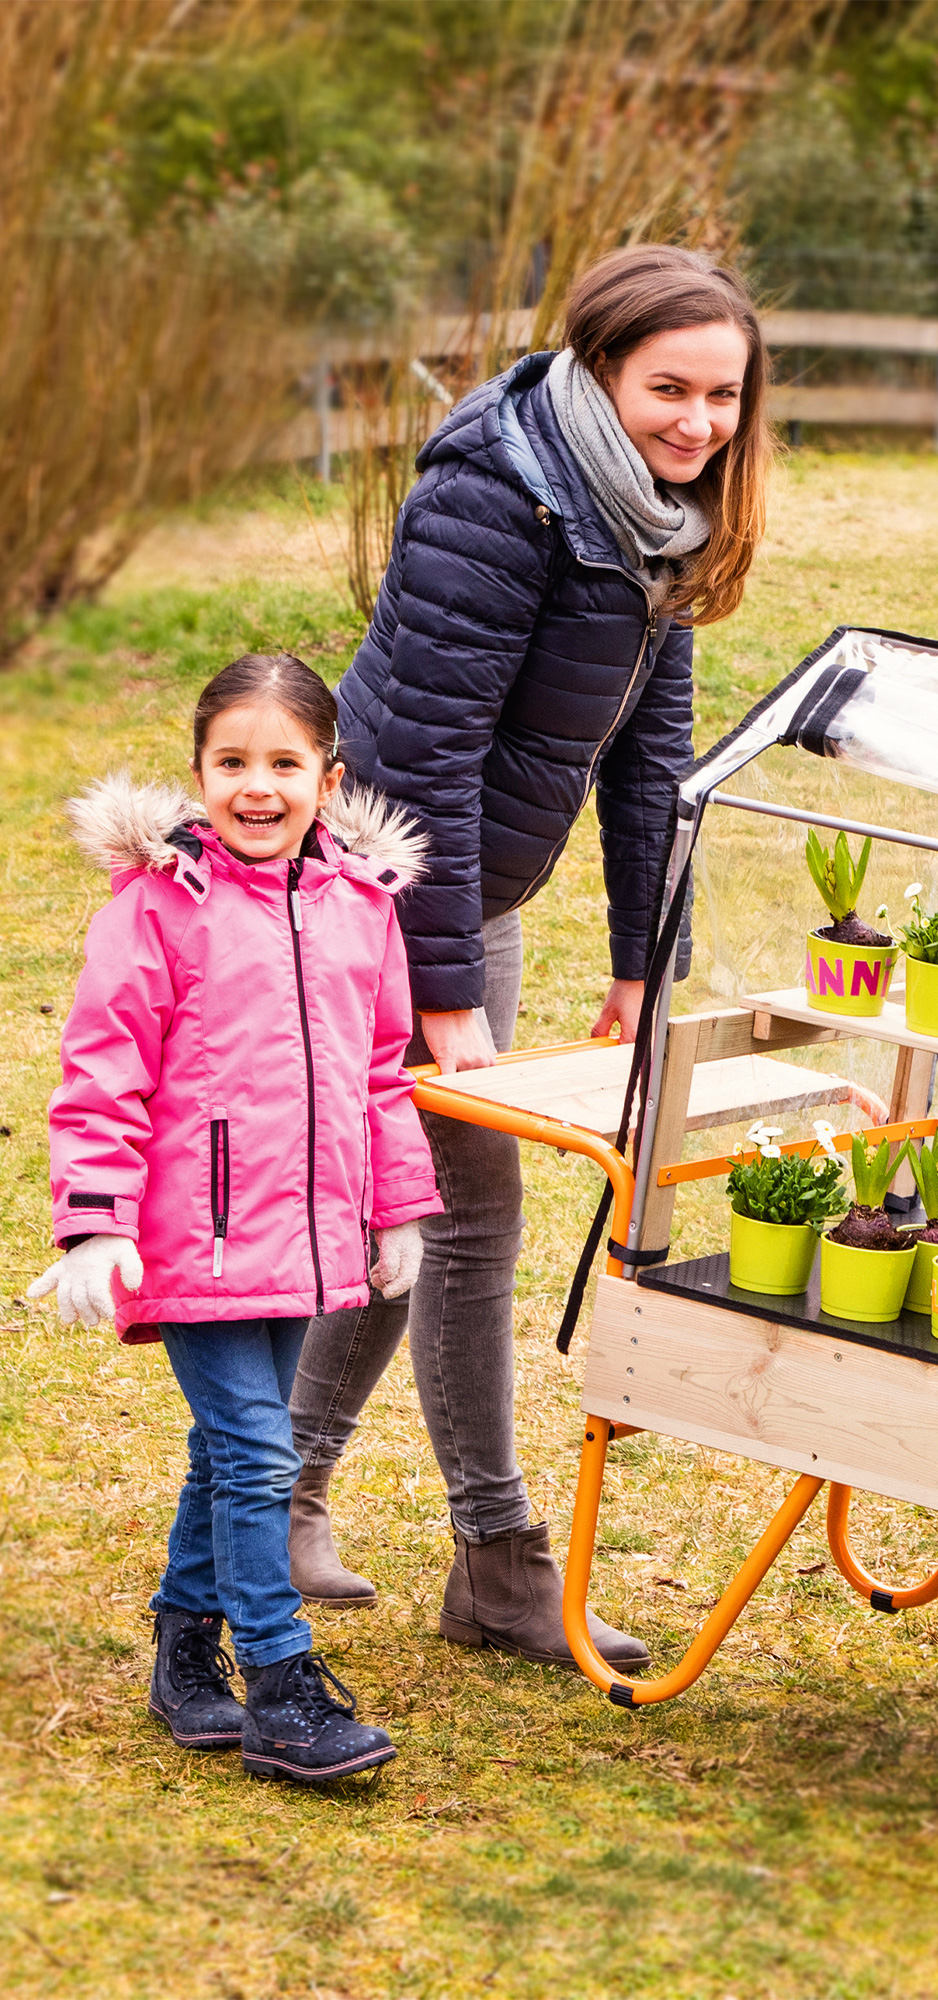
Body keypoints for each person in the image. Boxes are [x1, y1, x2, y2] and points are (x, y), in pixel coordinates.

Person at [287, 244, 773, 1670]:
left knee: (433, 1209)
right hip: (374, 890)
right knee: (465, 1209)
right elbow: (421, 756)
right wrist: (441, 994)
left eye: (722, 396)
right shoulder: (493, 495)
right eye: (666, 389)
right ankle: (490, 1561)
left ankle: (294, 1502)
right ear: (599, 368)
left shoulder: (659, 515)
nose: (694, 422)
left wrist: (639, 959)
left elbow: (650, 754)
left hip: (468, 894)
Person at [30, 653, 438, 1782]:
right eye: (231, 762)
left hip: (304, 1239)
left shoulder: (360, 908)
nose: (257, 786)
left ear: (327, 773)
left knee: (228, 1454)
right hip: (192, 1240)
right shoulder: (158, 910)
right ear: (198, 771)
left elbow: (378, 1071)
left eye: (284, 762)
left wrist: (395, 1203)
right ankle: (281, 1682)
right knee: (264, 1452)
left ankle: (182, 1652)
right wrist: (98, 1224)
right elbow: (100, 1076)